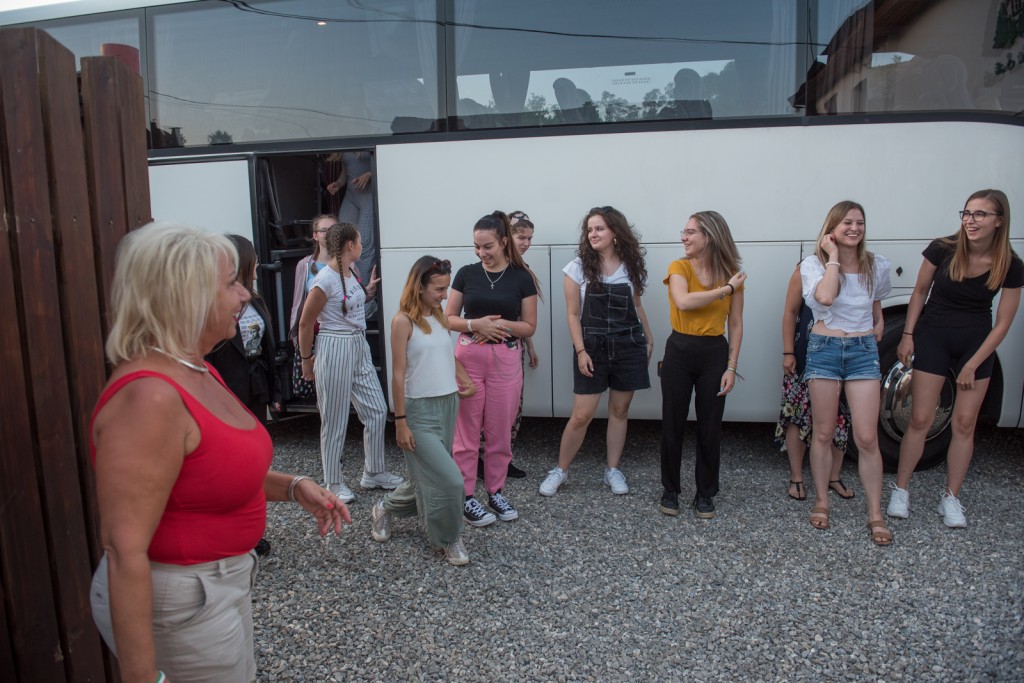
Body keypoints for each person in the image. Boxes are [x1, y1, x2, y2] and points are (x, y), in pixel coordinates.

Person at [89, 223, 349, 683]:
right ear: (183, 296)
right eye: (231, 283)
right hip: (182, 601)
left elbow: (210, 470)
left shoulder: (197, 369)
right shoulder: (150, 397)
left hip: (217, 587)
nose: (245, 294)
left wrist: (293, 487)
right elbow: (124, 550)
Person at [888, 189, 1022, 528]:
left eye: (980, 214)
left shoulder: (1010, 264)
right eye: (967, 213)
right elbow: (919, 292)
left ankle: (951, 497)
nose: (970, 221)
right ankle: (900, 490)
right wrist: (908, 334)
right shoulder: (943, 248)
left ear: (999, 221)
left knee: (964, 424)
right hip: (934, 336)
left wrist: (973, 364)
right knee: (920, 419)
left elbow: (1003, 323)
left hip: (976, 344)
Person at [539, 206, 653, 497]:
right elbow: (572, 315)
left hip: (628, 345)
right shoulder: (576, 268)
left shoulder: (630, 266)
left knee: (619, 410)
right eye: (589, 229)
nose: (593, 234)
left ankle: (612, 470)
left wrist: (649, 339)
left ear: (615, 231)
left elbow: (637, 306)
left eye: (599, 228)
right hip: (591, 348)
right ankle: (560, 470)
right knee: (582, 414)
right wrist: (580, 351)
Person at [370, 256, 478, 565]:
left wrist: (464, 379)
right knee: (451, 480)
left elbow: (446, 354)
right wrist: (400, 421)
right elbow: (398, 374)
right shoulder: (402, 321)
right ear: (419, 287)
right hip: (418, 410)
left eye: (446, 288)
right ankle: (449, 537)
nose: (445, 295)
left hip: (447, 404)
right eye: (439, 289)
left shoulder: (439, 315)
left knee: (427, 476)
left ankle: (385, 508)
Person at [800, 201, 892, 545]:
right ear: (832, 229)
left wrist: (877, 322)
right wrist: (834, 258)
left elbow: (875, 301)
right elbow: (825, 298)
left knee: (867, 437)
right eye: (847, 223)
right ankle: (822, 501)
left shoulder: (876, 265)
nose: (854, 228)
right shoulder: (814, 265)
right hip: (824, 348)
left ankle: (875, 514)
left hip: (862, 351)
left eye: (859, 223)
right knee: (824, 432)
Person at [445, 211, 539, 526]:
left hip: (505, 359)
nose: (481, 253)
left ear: (502, 242)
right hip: (468, 359)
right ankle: (466, 497)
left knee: (500, 431)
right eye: (476, 246)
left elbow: (529, 326)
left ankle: (496, 491)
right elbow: (448, 318)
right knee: (466, 433)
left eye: (487, 246)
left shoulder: (521, 277)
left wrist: (496, 326)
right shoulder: (466, 273)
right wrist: (475, 324)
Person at [297, 223, 400, 503]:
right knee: (334, 418)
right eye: (359, 241)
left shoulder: (350, 271)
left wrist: (367, 291)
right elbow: (306, 323)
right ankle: (333, 482)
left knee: (377, 410)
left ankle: (374, 472)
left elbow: (348, 303)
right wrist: (306, 360)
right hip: (334, 345)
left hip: (357, 344)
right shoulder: (324, 280)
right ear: (350, 245)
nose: (362, 246)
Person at [659, 211, 745, 518]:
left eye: (691, 232)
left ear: (710, 236)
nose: (684, 237)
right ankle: (670, 489)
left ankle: (705, 493)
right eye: (684, 231)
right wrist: (726, 290)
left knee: (710, 426)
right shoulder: (679, 267)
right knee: (673, 423)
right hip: (679, 349)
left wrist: (731, 367)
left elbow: (736, 323)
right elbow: (683, 302)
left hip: (714, 352)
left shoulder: (731, 274)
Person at [205, 234, 281, 558]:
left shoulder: (257, 301)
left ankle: (255, 528)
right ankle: (234, 530)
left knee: (255, 457)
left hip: (256, 385)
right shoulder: (214, 307)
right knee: (229, 462)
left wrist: (276, 391)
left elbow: (268, 348)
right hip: (227, 386)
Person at [773, 266, 854, 502]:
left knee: (840, 414)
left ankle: (834, 476)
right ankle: (796, 477)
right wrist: (788, 352)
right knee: (798, 412)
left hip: (842, 352)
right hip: (805, 350)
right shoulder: (806, 268)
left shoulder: (854, 266)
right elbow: (791, 312)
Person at [288, 214, 334, 399]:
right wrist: (296, 338)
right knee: (317, 387)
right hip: (313, 334)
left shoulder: (348, 264)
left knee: (334, 387)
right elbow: (297, 303)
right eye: (324, 230)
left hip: (336, 333)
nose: (328, 234)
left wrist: (368, 291)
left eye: (333, 230)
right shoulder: (305, 265)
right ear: (315, 235)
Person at [327, 150, 377, 286]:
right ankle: (346, 285)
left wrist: (369, 174)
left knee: (364, 245)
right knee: (342, 239)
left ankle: (364, 290)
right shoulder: (344, 145)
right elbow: (345, 174)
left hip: (368, 196)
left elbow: (386, 167)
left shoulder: (368, 141)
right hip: (350, 197)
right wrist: (338, 184)